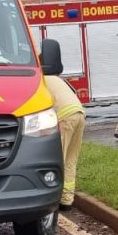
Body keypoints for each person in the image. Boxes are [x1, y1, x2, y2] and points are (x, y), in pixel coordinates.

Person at [44, 73, 86, 210]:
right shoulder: (54, 79)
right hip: (79, 114)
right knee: (70, 159)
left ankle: (52, 200)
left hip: (64, 117)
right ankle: (67, 200)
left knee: (57, 160)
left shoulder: (37, 82)